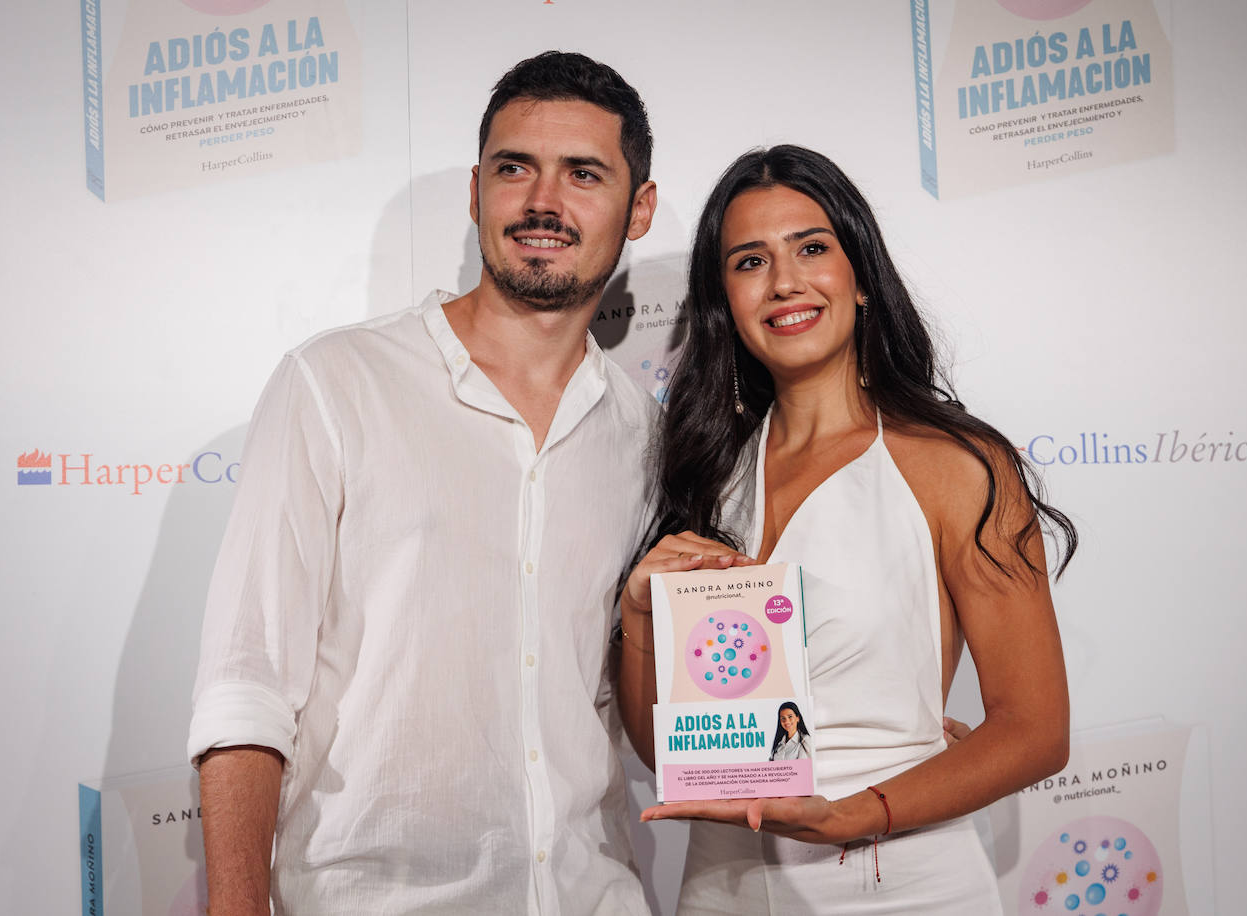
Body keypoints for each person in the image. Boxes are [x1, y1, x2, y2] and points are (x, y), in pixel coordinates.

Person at [187, 51, 667, 915]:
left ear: (640, 211)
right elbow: (246, 682)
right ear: (475, 191)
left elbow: (632, 706)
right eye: (513, 168)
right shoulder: (335, 384)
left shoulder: (645, 437)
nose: (542, 203)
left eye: (583, 175)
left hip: (593, 896)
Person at [617, 145, 1077, 913]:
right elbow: (665, 752)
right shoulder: (706, 472)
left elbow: (1035, 731)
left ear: (860, 277)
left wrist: (853, 815)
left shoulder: (954, 465)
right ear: (722, 299)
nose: (786, 281)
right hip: (722, 886)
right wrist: (639, 614)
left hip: (899, 881)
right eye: (750, 261)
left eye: (812, 248)